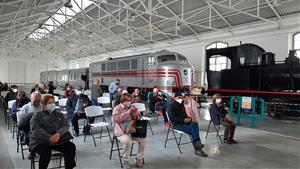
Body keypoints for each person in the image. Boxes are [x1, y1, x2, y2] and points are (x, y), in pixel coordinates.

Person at [30, 95, 76, 169]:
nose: (52, 105)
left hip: (58, 139)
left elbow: (66, 125)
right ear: (43, 105)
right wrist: (49, 137)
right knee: (46, 152)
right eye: (49, 103)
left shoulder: (59, 113)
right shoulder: (37, 115)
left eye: (53, 102)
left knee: (70, 147)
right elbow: (36, 130)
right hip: (40, 141)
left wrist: (58, 133)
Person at [167, 92, 208, 157]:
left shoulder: (181, 105)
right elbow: (172, 118)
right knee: (193, 130)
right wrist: (183, 120)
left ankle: (198, 147)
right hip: (176, 125)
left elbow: (185, 115)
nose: (180, 99)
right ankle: (198, 148)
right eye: (178, 98)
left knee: (194, 124)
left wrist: (189, 119)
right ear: (175, 98)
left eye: (181, 98)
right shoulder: (170, 106)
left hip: (185, 123)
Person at [112, 93, 146, 169]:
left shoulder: (132, 106)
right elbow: (116, 120)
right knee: (128, 141)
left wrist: (136, 113)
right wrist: (128, 113)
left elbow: (136, 119)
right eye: (127, 101)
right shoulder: (117, 108)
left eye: (130, 100)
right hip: (121, 131)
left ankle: (138, 158)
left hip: (132, 130)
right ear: (122, 101)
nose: (129, 102)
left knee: (143, 139)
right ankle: (126, 160)